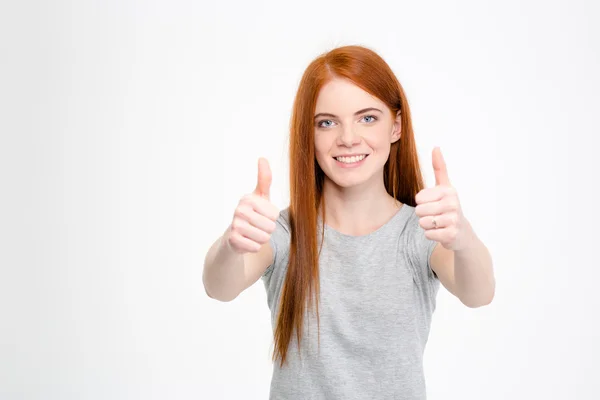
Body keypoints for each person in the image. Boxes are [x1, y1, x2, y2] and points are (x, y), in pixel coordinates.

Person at [203, 45, 495, 400]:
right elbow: (218, 287)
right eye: (327, 122)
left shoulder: (419, 232)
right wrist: (232, 243)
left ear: (396, 126)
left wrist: (463, 237)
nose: (347, 138)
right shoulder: (284, 232)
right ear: (308, 134)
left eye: (367, 118)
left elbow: (479, 294)